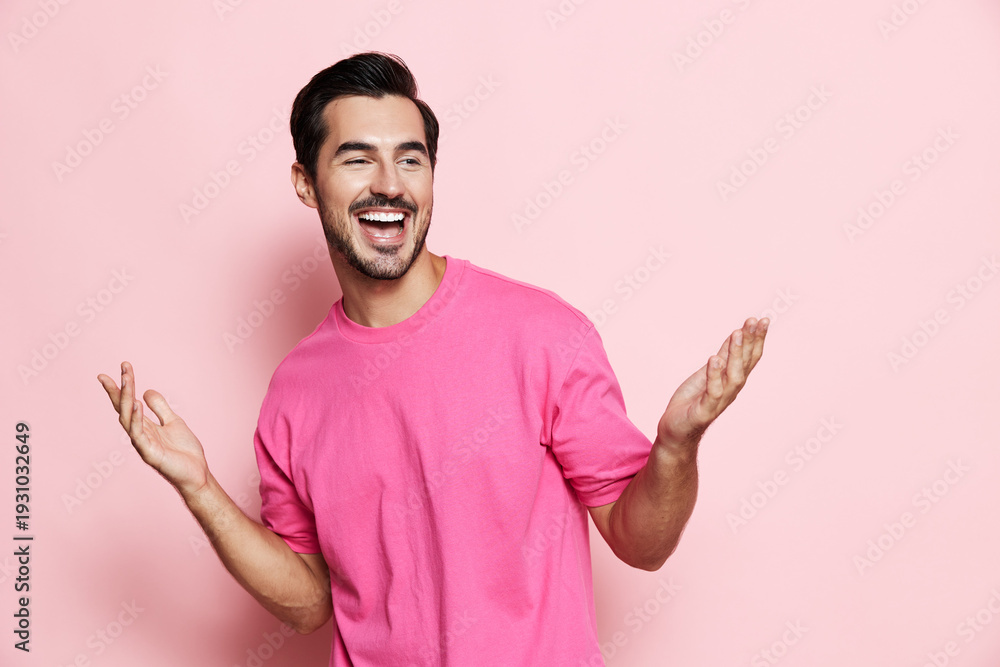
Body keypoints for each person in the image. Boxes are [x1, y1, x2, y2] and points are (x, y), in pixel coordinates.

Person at [97, 52, 768, 666]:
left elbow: (642, 543)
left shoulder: (541, 334)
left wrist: (675, 447)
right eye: (358, 160)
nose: (390, 185)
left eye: (410, 159)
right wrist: (200, 489)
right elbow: (307, 601)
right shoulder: (294, 391)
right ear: (306, 183)